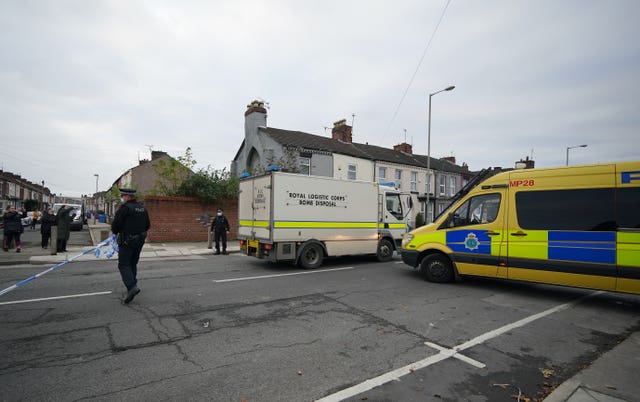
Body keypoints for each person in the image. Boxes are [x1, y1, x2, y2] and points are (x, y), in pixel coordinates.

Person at [111, 188, 150, 304]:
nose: (123, 198)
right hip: (140, 240)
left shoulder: (125, 208)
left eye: (123, 196)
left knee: (123, 264)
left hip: (127, 241)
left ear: (128, 197)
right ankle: (133, 284)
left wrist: (117, 232)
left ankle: (132, 286)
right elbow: (148, 225)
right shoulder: (143, 208)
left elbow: (116, 226)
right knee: (133, 263)